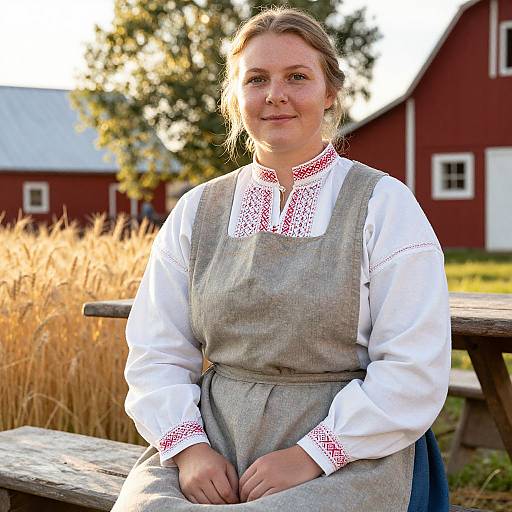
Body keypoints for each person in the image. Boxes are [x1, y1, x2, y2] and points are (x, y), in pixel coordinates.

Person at [112, 7, 451, 511]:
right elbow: (156, 352)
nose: (276, 95)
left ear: (329, 91)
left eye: (297, 76)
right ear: (236, 97)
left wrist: (313, 454)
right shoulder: (197, 211)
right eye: (256, 79)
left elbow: (413, 367)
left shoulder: (383, 204)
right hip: (214, 441)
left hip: (349, 448)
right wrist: (189, 449)